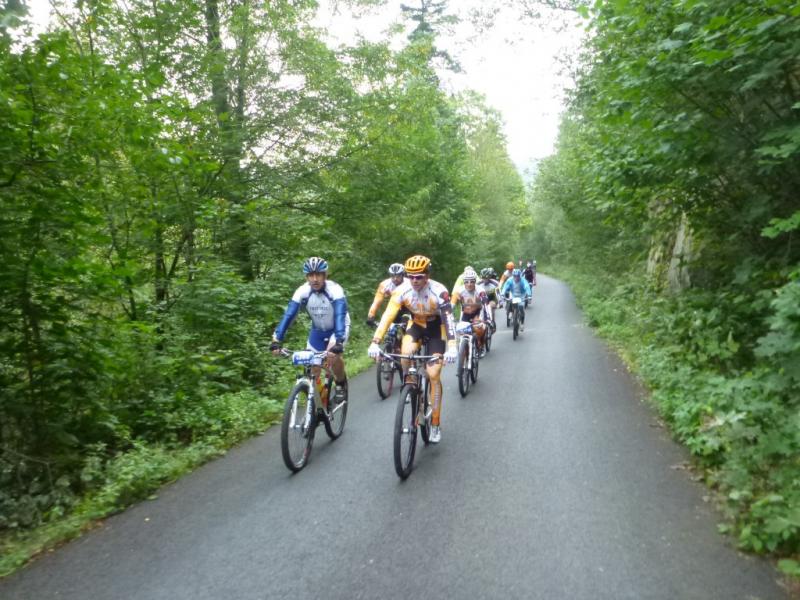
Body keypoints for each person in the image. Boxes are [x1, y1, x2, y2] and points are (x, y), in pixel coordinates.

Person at [368, 255, 457, 443]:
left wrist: (452, 346)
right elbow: (387, 316)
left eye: (419, 276)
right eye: (411, 276)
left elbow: (448, 320)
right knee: (405, 354)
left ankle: (435, 422)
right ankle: (410, 385)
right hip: (415, 324)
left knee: (433, 374)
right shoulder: (401, 290)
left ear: (427, 275)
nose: (415, 281)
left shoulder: (439, 291)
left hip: (436, 328)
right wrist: (375, 341)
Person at [271, 257, 350, 404]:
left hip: (338, 328)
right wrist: (277, 339)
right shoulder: (302, 291)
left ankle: (340, 383)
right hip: (318, 330)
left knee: (333, 357)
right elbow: (289, 315)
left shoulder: (335, 290)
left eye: (318, 274)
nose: (314, 279)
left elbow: (340, 315)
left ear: (325, 275)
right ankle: (319, 403)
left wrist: (338, 341)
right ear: (306, 277)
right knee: (313, 367)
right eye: (310, 275)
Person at [452, 267, 490, 356]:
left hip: (478, 312)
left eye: (472, 281)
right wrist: (449, 316)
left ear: (475, 282)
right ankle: (464, 347)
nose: (469, 284)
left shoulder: (480, 289)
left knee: (479, 329)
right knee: (461, 332)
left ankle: (482, 346)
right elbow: (451, 305)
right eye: (466, 282)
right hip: (465, 313)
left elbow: (485, 303)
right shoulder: (459, 290)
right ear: (463, 282)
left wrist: (488, 317)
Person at [366, 263, 407, 328]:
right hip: (393, 309)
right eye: (393, 276)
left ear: (403, 275)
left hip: (408, 309)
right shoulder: (384, 285)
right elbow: (376, 302)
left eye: (398, 276)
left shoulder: (409, 284)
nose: (395, 278)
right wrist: (371, 316)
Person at [479, 267, 501, 331]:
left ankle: (492, 321)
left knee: (490, 306)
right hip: (482, 298)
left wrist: (500, 302)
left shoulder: (495, 283)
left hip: (492, 298)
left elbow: (498, 294)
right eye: (483, 278)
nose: (484, 279)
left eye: (486, 278)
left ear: (489, 277)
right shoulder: (478, 284)